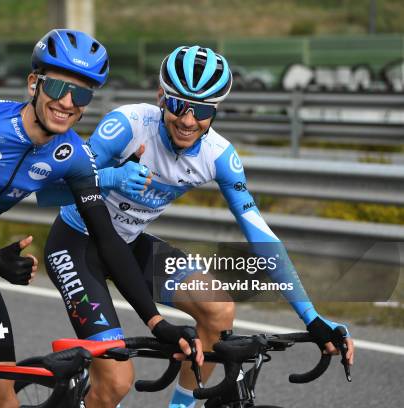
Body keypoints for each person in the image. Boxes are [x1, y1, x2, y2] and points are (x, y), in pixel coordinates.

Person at [0, 30, 200, 408]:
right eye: (59, 87)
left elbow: (108, 241)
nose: (67, 102)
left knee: (1, 399)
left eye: (80, 94)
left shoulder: (73, 155)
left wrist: (156, 323)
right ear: (34, 83)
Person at [43, 45, 355, 408]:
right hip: (77, 243)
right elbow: (52, 192)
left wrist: (311, 317)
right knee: (115, 382)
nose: (188, 121)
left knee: (218, 310)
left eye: (202, 110)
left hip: (128, 243)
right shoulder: (127, 124)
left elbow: (262, 238)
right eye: (178, 105)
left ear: (215, 110)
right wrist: (112, 177)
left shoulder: (220, 157)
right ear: (161, 97)